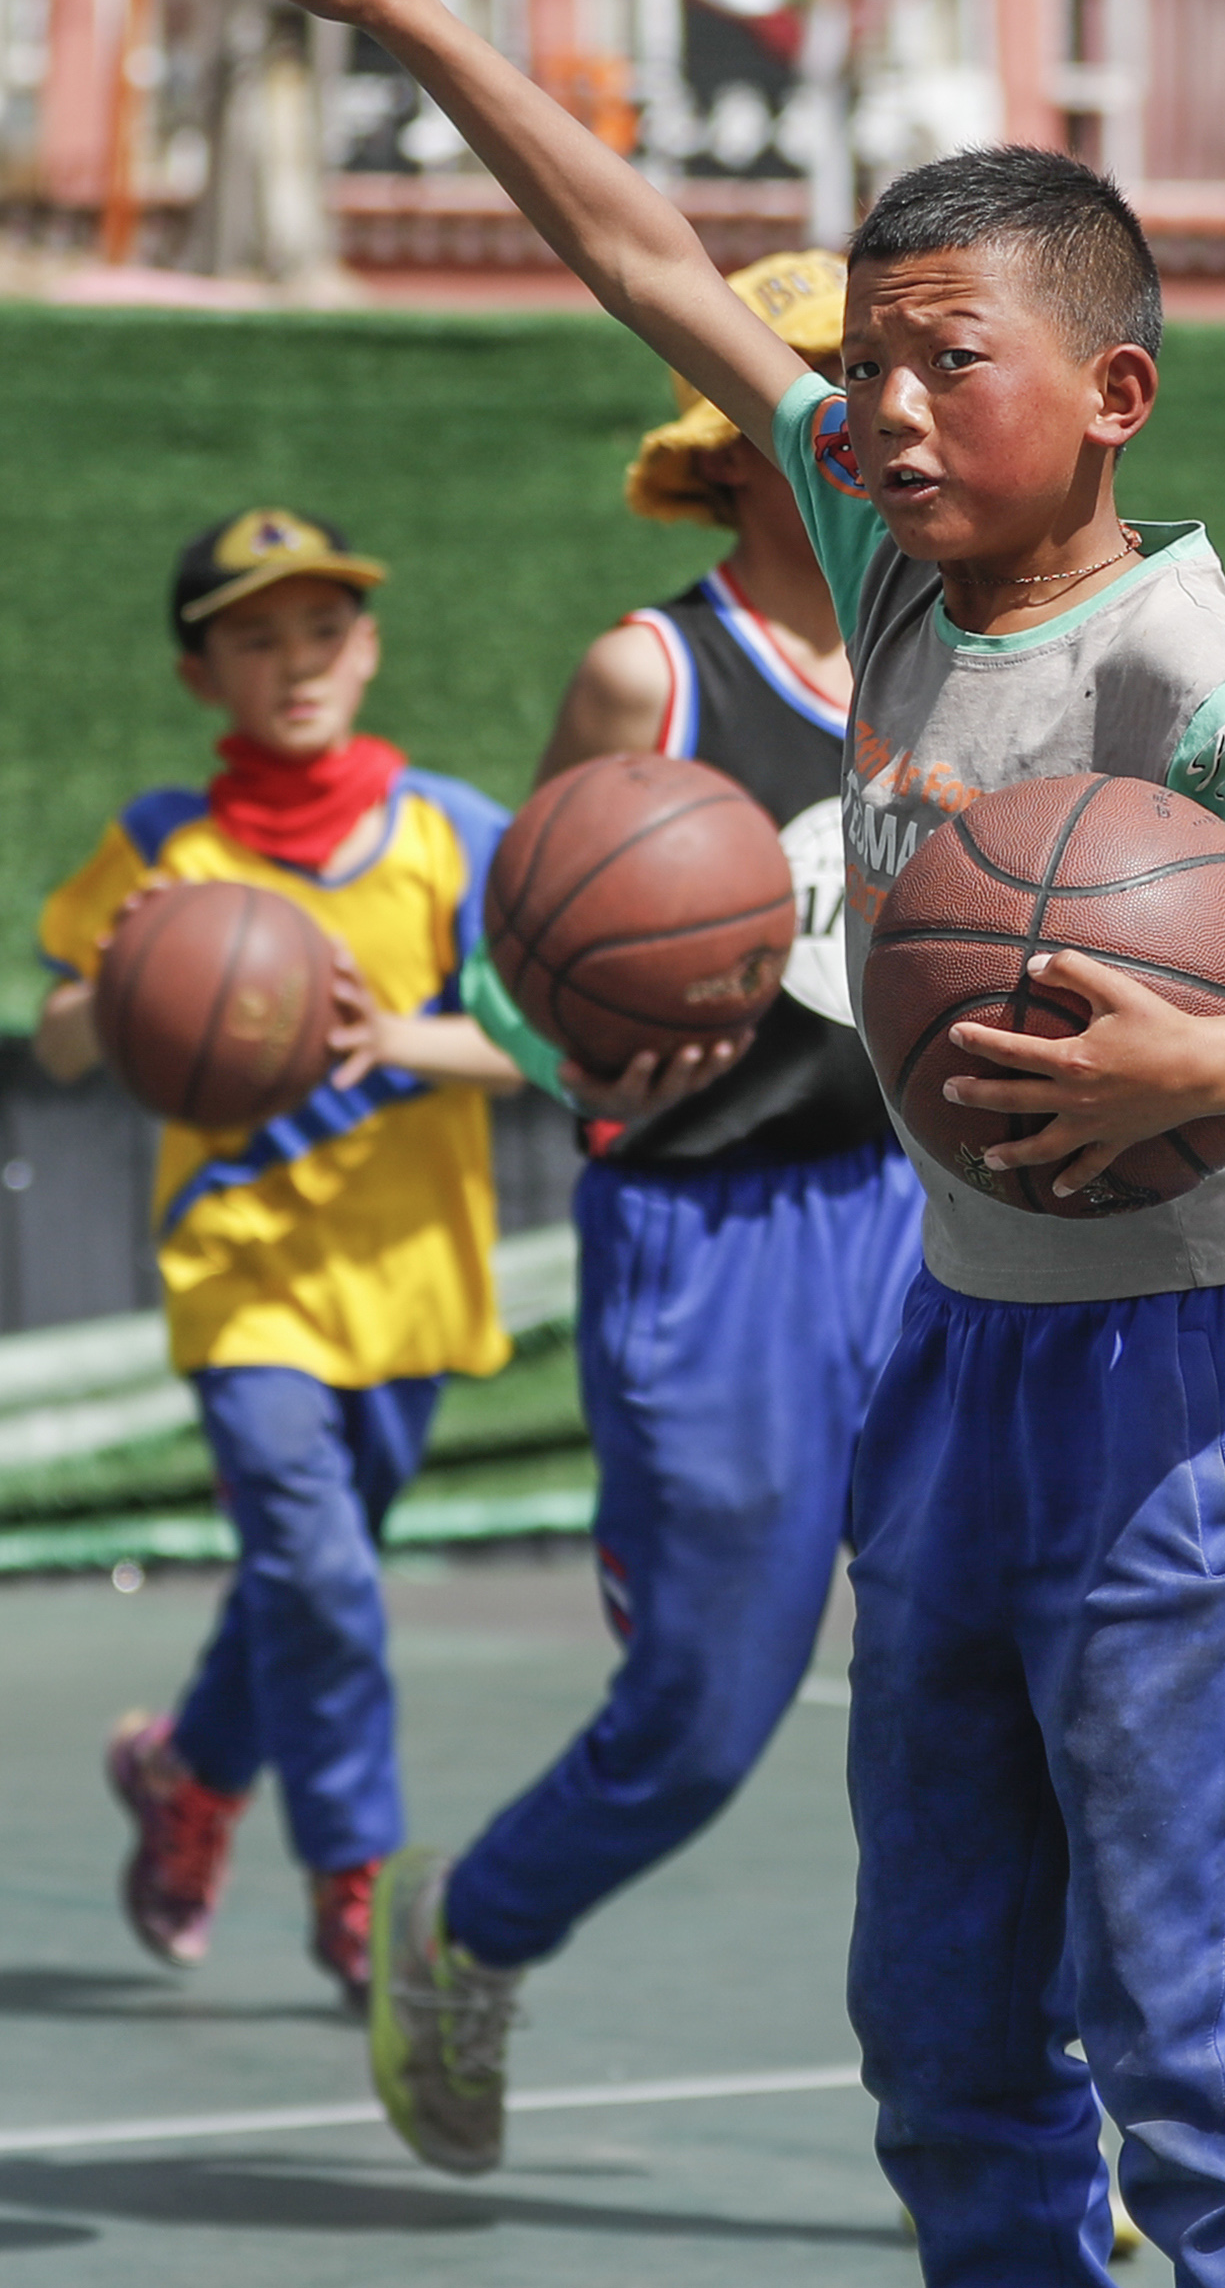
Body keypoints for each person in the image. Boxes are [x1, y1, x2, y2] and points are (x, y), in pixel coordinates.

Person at [197, 0, 1225, 2282]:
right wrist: (392, 1)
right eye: (861, 372)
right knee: (938, 2034)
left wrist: (1200, 1066)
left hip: (1170, 1378)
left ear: (1109, 391)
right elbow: (642, 247)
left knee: (1188, 2026)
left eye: (941, 363)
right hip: (955, 1361)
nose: (879, 411)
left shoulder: (1179, 659)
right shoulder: (890, 574)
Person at [363, 250, 933, 2177]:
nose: (890, 419)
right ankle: (472, 1924)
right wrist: (585, 1054)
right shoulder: (654, 669)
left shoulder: (969, 650)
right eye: (843, 388)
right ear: (750, 441)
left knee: (1005, 1693)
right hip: (714, 1237)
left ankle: (1044, 2108)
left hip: (942, 1224)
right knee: (704, 1711)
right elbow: (523, 972)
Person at [39, 508, 522, 2005]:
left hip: (412, 1273)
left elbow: (544, 1038)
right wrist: (122, 987)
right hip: (243, 1278)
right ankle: (357, 1880)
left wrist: (399, 1038)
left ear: (368, 649)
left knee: (305, 1576)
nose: (297, 661)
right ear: (203, 676)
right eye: (256, 637)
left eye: (323, 629)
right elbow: (57, 1043)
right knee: (318, 1572)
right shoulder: (158, 849)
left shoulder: (451, 832)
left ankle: (189, 1775)